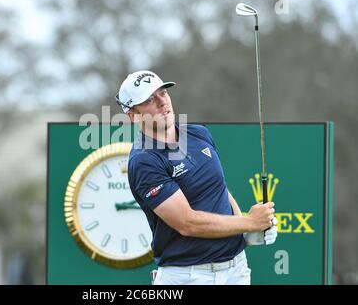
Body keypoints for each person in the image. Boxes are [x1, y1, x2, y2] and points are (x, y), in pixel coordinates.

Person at [115, 70, 278, 285]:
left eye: (163, 93)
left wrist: (246, 230)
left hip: (236, 270)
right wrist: (248, 221)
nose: (162, 103)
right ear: (133, 115)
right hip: (188, 276)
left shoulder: (198, 133)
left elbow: (220, 189)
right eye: (149, 100)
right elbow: (187, 223)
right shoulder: (144, 160)